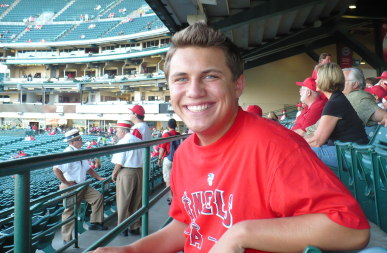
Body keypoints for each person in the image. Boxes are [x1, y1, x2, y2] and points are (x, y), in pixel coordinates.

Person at [93, 21, 369, 253]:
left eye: (210, 76)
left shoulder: (274, 146)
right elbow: (190, 225)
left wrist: (243, 233)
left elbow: (350, 228)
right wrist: (130, 250)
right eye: (180, 79)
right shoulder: (186, 152)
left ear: (237, 84)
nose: (194, 91)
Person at [305, 63, 369, 169]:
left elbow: (317, 141)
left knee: (303, 150)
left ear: (326, 80)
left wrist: (295, 142)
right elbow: (316, 136)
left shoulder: (335, 103)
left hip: (353, 154)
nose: (315, 80)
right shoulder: (336, 99)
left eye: (318, 77)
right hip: (349, 151)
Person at [52, 129, 107, 243]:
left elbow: (88, 169)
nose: (81, 141)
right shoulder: (68, 152)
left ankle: (95, 223)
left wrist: (99, 178)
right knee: (70, 212)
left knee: (97, 197)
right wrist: (66, 183)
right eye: (79, 139)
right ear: (72, 142)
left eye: (80, 139)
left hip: (82, 185)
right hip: (71, 186)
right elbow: (56, 169)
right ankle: (66, 239)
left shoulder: (79, 151)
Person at [110, 120, 143, 237]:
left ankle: (122, 227)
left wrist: (114, 173)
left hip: (126, 172)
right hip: (139, 171)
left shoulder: (123, 142)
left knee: (123, 201)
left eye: (117, 130)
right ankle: (135, 226)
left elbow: (119, 162)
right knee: (137, 201)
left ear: (123, 131)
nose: (116, 133)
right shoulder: (139, 140)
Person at [158, 119, 180, 187]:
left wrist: (159, 159)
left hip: (168, 159)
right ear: (175, 126)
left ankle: (170, 196)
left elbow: (162, 149)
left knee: (168, 179)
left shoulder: (166, 135)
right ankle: (175, 195)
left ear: (168, 126)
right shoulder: (179, 134)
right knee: (176, 178)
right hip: (177, 159)